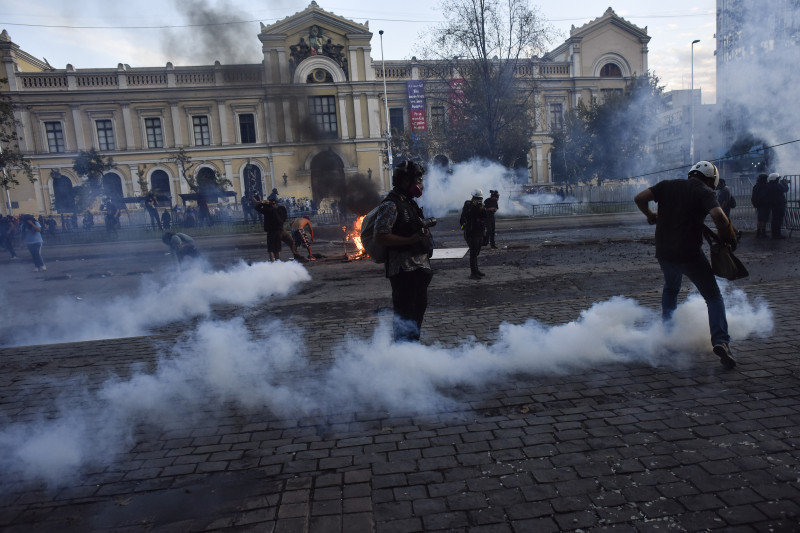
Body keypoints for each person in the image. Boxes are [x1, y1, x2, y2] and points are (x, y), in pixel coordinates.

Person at [634, 160, 739, 369]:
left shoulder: (667, 185)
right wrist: (726, 235)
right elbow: (718, 215)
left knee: (671, 289)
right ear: (711, 180)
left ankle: (668, 335)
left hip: (664, 252)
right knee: (713, 297)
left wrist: (650, 215)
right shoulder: (705, 191)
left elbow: (639, 198)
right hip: (689, 254)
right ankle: (721, 341)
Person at [374, 160, 434, 342]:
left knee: (416, 315)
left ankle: (412, 353)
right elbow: (381, 236)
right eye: (417, 179)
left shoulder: (409, 203)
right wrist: (409, 240)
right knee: (405, 317)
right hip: (404, 272)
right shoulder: (391, 205)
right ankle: (403, 356)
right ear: (405, 180)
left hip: (419, 270)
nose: (419, 184)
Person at [460, 189, 488, 279]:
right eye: (477, 198)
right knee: (473, 253)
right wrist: (473, 207)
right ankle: (473, 273)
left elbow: (485, 217)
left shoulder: (481, 206)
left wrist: (483, 209)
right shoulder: (468, 204)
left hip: (479, 232)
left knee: (476, 252)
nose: (479, 200)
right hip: (471, 233)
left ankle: (476, 270)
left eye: (480, 198)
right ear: (473, 197)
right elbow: (466, 215)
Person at [252, 195, 285, 261]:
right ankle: (278, 262)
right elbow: (280, 221)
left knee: (271, 249)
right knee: (277, 248)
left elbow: (257, 208)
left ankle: (272, 263)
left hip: (270, 232)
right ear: (274, 204)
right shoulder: (276, 210)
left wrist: (262, 202)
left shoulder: (266, 210)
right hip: (277, 231)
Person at [766, 172, 789, 239]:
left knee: (774, 220)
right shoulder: (777, 185)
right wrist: (785, 183)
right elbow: (785, 189)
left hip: (773, 204)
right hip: (779, 204)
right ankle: (777, 234)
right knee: (778, 220)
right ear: (775, 179)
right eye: (778, 178)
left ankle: (774, 234)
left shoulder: (769, 185)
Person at [751, 173, 770, 238]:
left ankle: (758, 232)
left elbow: (753, 196)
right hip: (765, 204)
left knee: (759, 219)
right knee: (764, 219)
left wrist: (755, 203)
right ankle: (763, 232)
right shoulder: (766, 186)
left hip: (758, 205)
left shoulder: (756, 186)